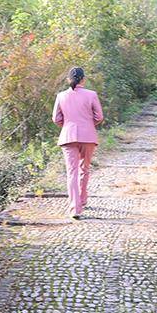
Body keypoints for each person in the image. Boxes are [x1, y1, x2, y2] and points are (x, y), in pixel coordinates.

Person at [52, 66, 104, 220]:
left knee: (72, 172)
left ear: (68, 79)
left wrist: (67, 126)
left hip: (68, 137)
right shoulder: (91, 94)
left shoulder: (61, 96)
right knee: (84, 169)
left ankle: (75, 208)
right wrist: (88, 125)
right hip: (88, 136)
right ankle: (82, 200)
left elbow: (56, 118)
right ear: (83, 79)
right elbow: (99, 116)